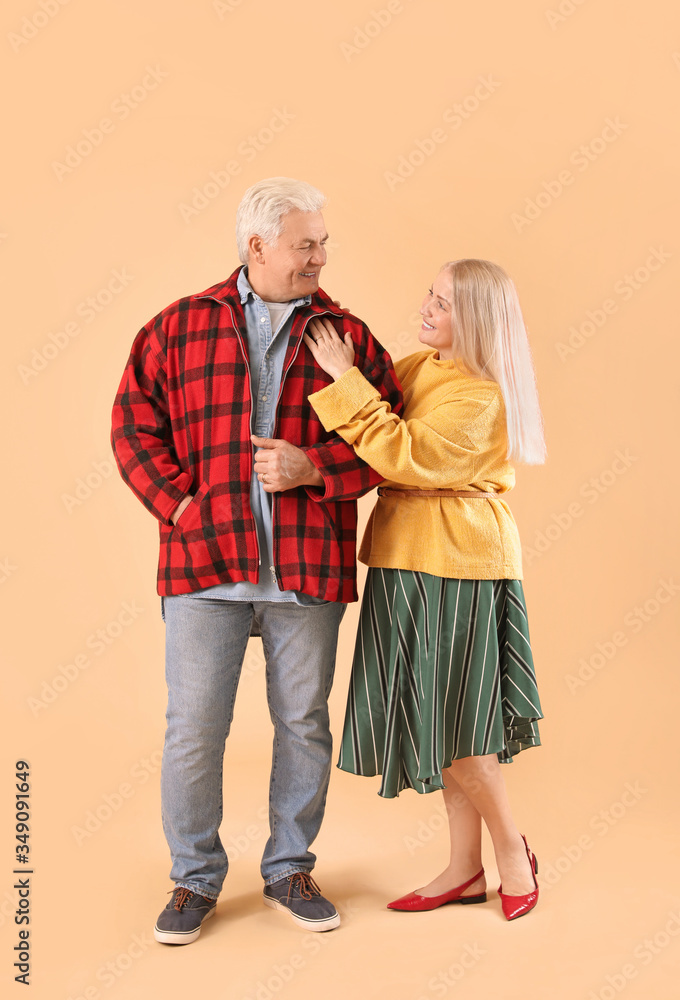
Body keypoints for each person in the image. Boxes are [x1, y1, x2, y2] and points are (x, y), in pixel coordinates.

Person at [110, 177, 402, 944]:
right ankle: (194, 879)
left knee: (303, 724)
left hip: (308, 568)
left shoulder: (347, 338)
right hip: (204, 569)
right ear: (258, 246)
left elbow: (388, 439)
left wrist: (317, 472)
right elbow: (133, 427)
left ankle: (289, 868)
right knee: (194, 729)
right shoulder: (176, 328)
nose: (320, 256)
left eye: (323, 242)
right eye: (307, 244)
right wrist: (179, 507)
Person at [302, 258, 545, 921]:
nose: (427, 308)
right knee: (441, 723)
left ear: (478, 322)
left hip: (460, 564)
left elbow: (402, 451)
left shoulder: (482, 396)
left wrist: (343, 381)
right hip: (407, 558)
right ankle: (464, 870)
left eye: (444, 303)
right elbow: (377, 408)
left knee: (461, 727)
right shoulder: (420, 367)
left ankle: (511, 854)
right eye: (429, 295)